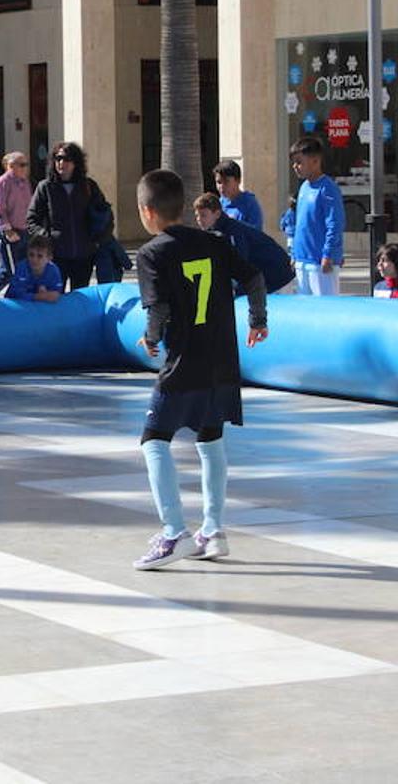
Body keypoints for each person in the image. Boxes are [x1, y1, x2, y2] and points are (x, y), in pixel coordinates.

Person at [132, 169, 268, 570]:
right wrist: (258, 320)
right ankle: (213, 529)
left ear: (147, 212)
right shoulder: (215, 243)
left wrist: (152, 337)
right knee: (210, 440)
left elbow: (157, 306)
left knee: (154, 439)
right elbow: (255, 276)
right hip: (222, 361)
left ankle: (174, 531)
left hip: (183, 362)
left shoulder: (152, 253)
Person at [27, 141, 111, 291]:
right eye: (58, 159)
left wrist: (97, 241)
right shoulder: (45, 187)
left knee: (79, 297)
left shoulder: (88, 186)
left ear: (76, 163)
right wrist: (47, 238)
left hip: (84, 255)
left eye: (66, 159)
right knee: (54, 296)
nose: (61, 163)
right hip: (56, 254)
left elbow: (106, 215)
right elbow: (32, 220)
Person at [194, 193, 296, 295]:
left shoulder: (232, 232)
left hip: (278, 275)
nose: (199, 219)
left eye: (203, 215)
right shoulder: (217, 231)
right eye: (197, 215)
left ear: (217, 214)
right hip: (266, 278)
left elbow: (240, 262)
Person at [289, 136, 345, 296]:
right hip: (302, 260)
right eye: (294, 162)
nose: (295, 166)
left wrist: (328, 254)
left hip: (321, 262)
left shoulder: (328, 188)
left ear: (315, 161)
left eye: (299, 162)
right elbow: (299, 223)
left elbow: (335, 223)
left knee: (326, 310)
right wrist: (294, 253)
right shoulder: (304, 188)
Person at [0, 151, 34, 293]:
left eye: (26, 165)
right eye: (21, 165)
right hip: (8, 233)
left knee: (22, 270)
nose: (25, 168)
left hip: (24, 232)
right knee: (8, 270)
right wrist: (7, 230)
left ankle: (14, 298)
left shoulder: (25, 182)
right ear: (10, 166)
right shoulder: (2, 182)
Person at [3, 235, 63, 303]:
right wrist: (39, 296)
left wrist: (47, 294)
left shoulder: (53, 271)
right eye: (31, 255)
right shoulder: (22, 267)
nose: (34, 259)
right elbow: (16, 294)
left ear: (49, 258)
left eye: (40, 256)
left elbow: (56, 294)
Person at [213, 159, 264, 230]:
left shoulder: (250, 203)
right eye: (219, 182)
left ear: (238, 180)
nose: (222, 186)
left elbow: (255, 234)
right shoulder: (219, 204)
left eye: (226, 181)